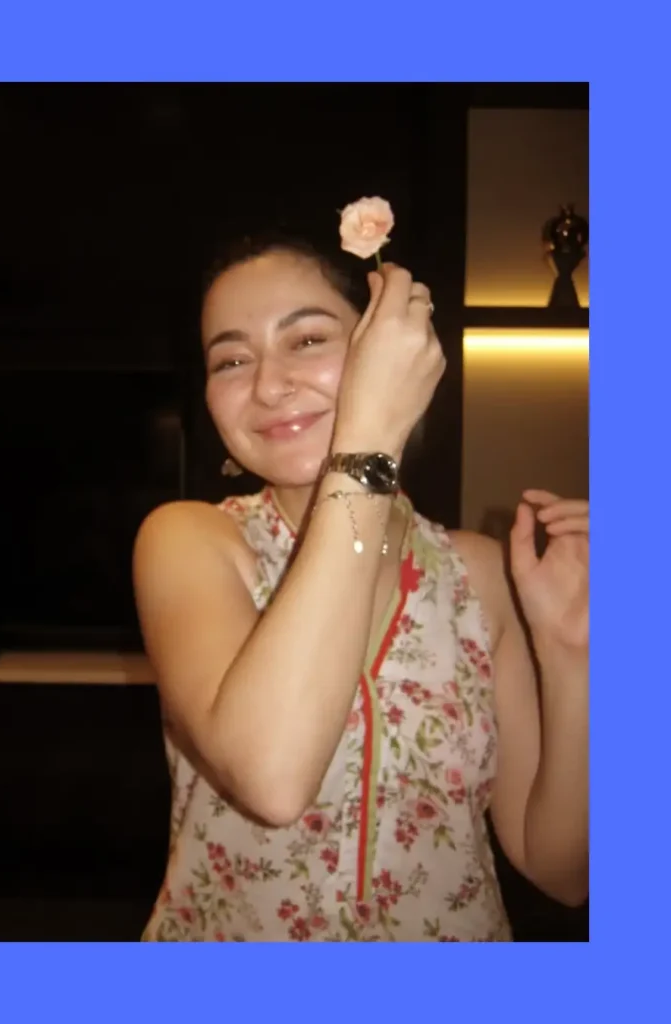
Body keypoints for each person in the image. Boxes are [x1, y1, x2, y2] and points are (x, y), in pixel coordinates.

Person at [133, 235, 588, 942]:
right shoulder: (190, 543)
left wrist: (571, 654)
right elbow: (272, 778)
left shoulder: (480, 574)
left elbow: (562, 871)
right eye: (231, 360)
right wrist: (371, 443)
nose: (268, 385)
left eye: (307, 339)